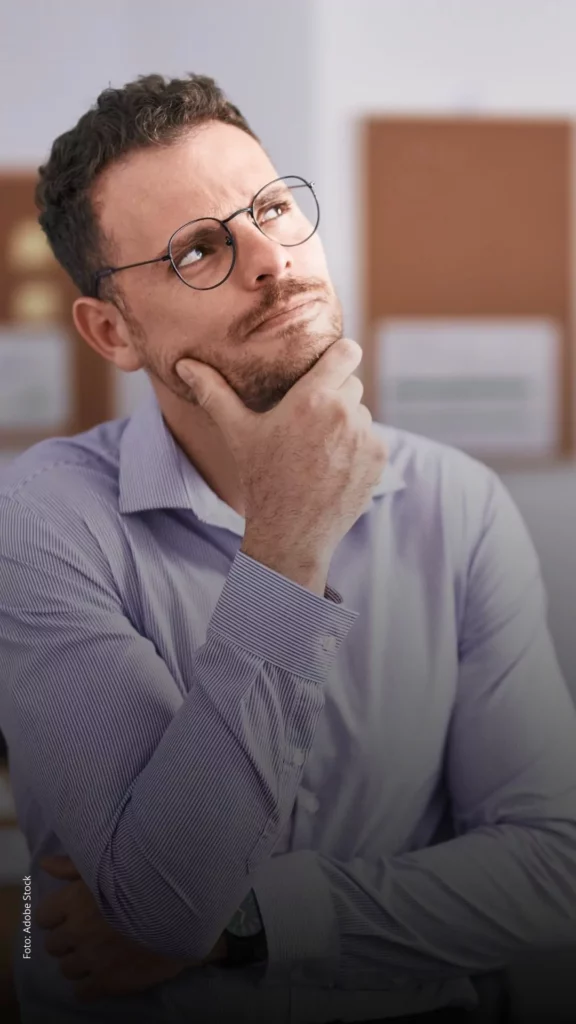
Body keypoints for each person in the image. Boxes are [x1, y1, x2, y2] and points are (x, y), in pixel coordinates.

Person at [0, 73, 575, 1024]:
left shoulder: (457, 504)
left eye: (271, 208)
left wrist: (255, 923)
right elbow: (166, 898)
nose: (271, 259)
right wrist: (289, 543)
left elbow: (554, 867)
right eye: (198, 250)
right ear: (113, 331)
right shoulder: (41, 519)